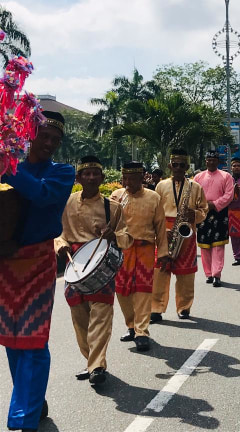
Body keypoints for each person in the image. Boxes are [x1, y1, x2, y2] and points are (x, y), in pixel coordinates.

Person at [0, 111, 74, 431]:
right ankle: (31, 398)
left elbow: (42, 194)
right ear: (30, 134)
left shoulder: (63, 172)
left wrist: (8, 166)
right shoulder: (9, 167)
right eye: (44, 136)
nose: (49, 144)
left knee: (33, 339)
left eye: (55, 140)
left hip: (38, 263)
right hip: (5, 263)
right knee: (11, 339)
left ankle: (25, 419)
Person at [55, 156, 133, 385]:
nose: (90, 177)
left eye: (95, 174)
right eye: (85, 174)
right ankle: (91, 361)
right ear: (78, 178)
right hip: (74, 265)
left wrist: (114, 235)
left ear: (102, 178)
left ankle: (97, 366)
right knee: (79, 318)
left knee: (101, 314)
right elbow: (56, 232)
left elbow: (127, 238)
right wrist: (60, 245)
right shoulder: (66, 203)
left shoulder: (113, 207)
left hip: (101, 266)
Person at [111, 162, 168, 352]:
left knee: (142, 290)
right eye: (125, 179)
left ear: (142, 178)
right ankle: (131, 326)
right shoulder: (116, 196)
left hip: (144, 249)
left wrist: (163, 253)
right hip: (121, 250)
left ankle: (142, 331)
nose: (128, 183)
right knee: (122, 290)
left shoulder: (154, 197)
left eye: (132, 179)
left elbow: (160, 227)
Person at [151, 150, 208, 322]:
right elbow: (155, 210)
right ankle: (156, 308)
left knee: (186, 272)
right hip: (165, 231)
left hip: (187, 231)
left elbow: (204, 209)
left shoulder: (195, 187)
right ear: (170, 166)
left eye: (182, 165)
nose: (178, 168)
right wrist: (160, 232)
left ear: (186, 167)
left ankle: (184, 307)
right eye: (175, 165)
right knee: (159, 271)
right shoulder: (160, 186)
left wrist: (195, 215)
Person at [194, 150, 234, 287]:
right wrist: (203, 206)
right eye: (208, 160)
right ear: (206, 161)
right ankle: (208, 274)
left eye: (213, 160)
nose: (211, 162)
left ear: (218, 161)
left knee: (218, 245)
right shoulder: (198, 177)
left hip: (219, 212)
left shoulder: (226, 176)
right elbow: (194, 195)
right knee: (205, 245)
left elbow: (229, 195)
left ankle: (217, 274)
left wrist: (215, 204)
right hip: (203, 212)